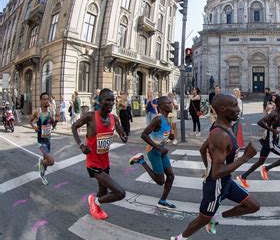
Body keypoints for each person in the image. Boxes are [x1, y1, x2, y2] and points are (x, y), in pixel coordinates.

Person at [171, 94, 260, 240]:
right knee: (202, 219)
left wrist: (208, 167)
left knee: (253, 206)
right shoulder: (220, 134)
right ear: (222, 109)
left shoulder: (223, 127)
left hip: (226, 181)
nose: (238, 109)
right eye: (234, 106)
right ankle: (179, 239)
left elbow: (202, 149)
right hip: (216, 185)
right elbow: (217, 172)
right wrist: (245, 158)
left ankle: (216, 218)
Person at [72, 88, 128, 220]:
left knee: (103, 192)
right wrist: (81, 145)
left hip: (105, 162)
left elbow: (122, 133)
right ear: (99, 101)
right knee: (120, 193)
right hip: (93, 163)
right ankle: (94, 202)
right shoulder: (90, 116)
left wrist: (123, 136)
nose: (110, 103)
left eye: (112, 100)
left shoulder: (114, 118)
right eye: (107, 100)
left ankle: (95, 205)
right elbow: (74, 126)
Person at [129, 96, 176, 209]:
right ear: (161, 107)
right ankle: (141, 161)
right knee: (160, 181)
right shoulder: (157, 119)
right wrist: (159, 148)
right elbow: (144, 134)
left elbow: (161, 135)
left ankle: (162, 201)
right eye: (168, 103)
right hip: (154, 151)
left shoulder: (166, 118)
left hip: (161, 151)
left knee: (170, 176)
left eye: (170, 103)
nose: (171, 105)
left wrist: (170, 137)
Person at [237, 95, 280, 187]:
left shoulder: (278, 114)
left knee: (260, 161)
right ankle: (266, 168)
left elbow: (275, 122)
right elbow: (260, 122)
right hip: (270, 143)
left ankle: (243, 176)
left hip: (269, 141)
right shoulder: (274, 113)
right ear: (279, 104)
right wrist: (273, 130)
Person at [30, 92, 59, 185]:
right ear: (41, 101)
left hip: (48, 140)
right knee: (51, 161)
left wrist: (56, 120)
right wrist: (34, 127)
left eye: (48, 99)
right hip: (41, 142)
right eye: (44, 99)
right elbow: (30, 121)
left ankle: (42, 174)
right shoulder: (37, 112)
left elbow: (53, 125)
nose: (47, 101)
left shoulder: (50, 113)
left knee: (47, 161)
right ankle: (42, 162)